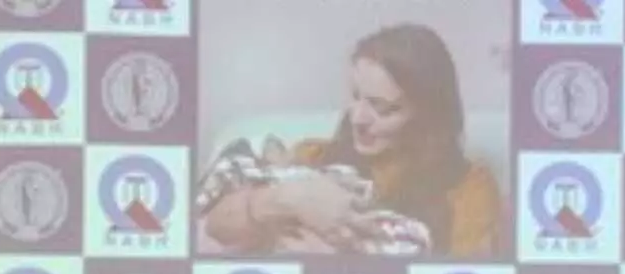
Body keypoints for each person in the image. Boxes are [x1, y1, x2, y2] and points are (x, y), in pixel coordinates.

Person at [198, 22, 502, 258]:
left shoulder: (470, 187)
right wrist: (289, 198)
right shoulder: (313, 155)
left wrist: (343, 264)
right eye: (356, 96)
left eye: (382, 107)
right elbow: (215, 227)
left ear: (427, 115)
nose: (358, 118)